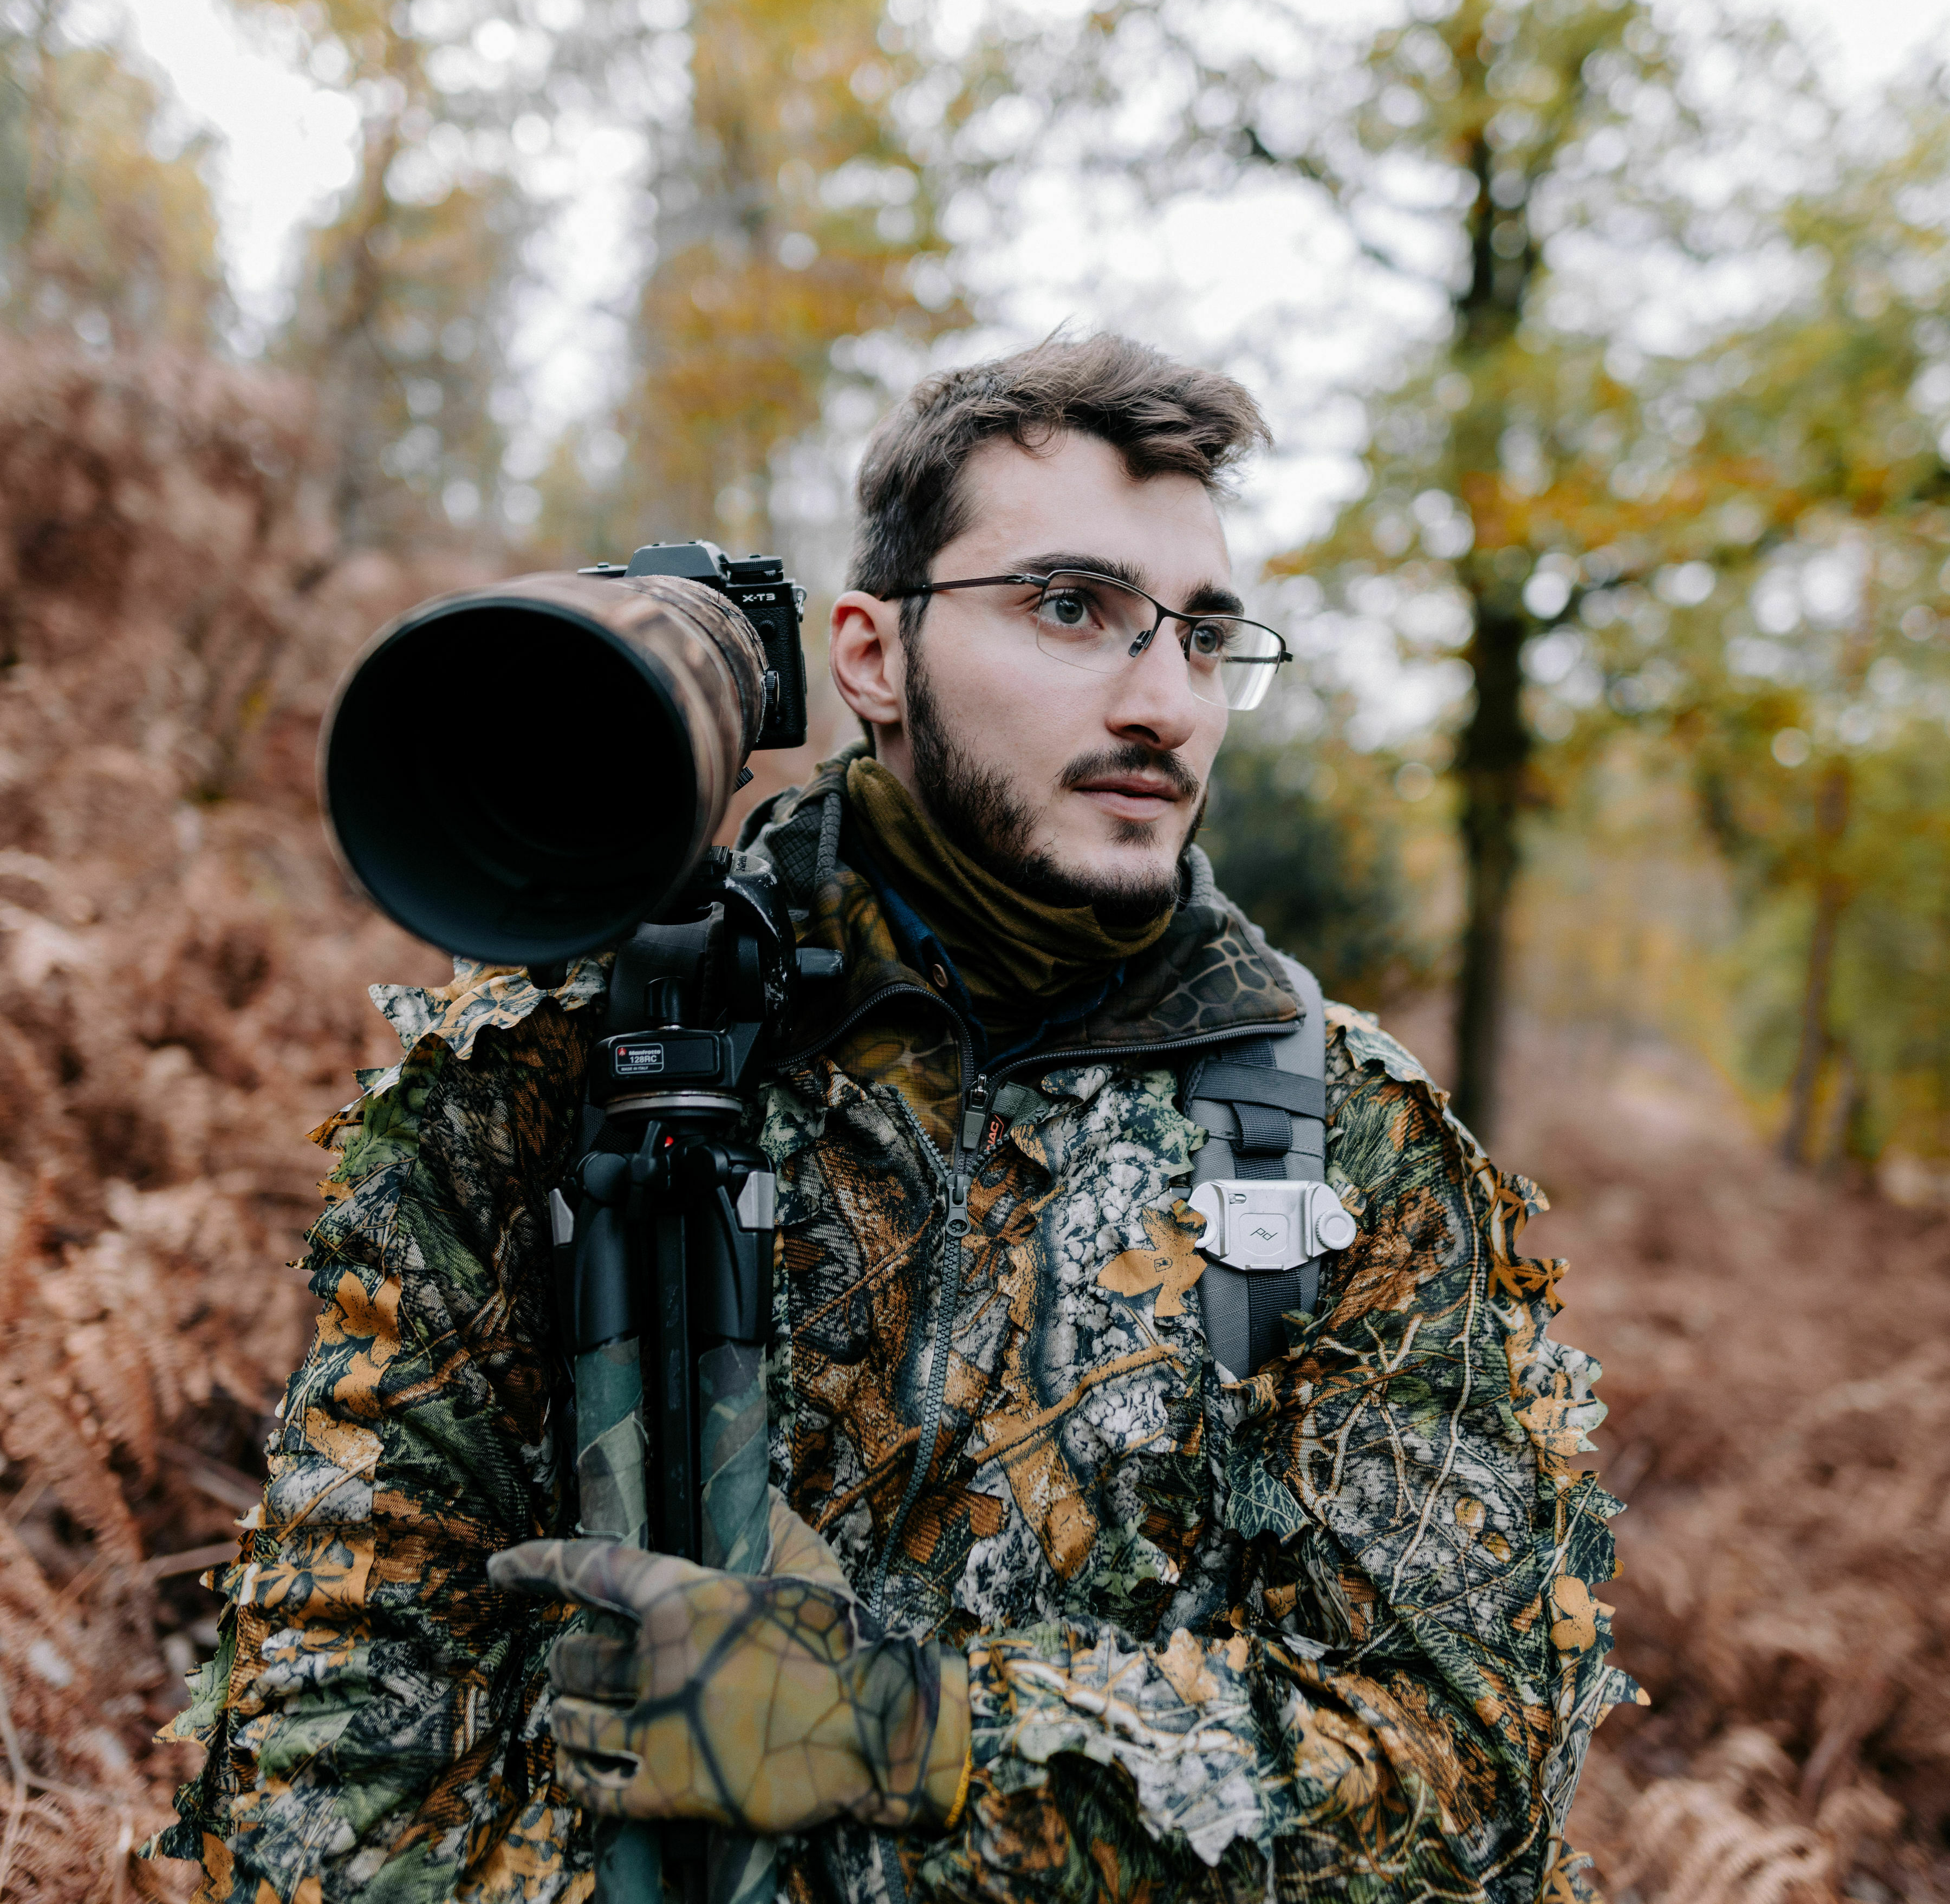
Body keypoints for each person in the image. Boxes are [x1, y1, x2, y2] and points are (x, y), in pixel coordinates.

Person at [158, 333, 1638, 1904]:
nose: (1164, 704)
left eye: (1205, 637)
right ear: (870, 656)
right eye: (1075, 608)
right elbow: (323, 1756)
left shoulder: (1352, 1150)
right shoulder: (561, 1066)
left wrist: (902, 1739)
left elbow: (1464, 1768)